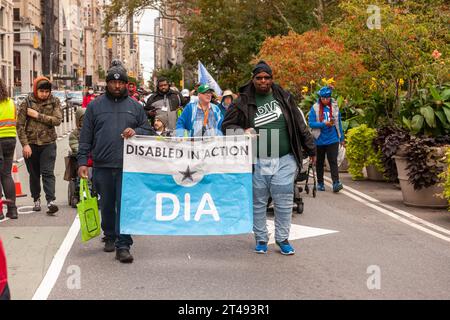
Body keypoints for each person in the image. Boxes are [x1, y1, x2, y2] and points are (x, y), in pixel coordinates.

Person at [222, 60, 316, 255]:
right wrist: (242, 131)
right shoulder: (242, 101)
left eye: (267, 77)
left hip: (284, 158)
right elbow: (226, 127)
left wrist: (311, 150)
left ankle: (282, 238)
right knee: (259, 201)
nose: (263, 81)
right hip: (259, 159)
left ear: (272, 79)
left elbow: (300, 125)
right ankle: (261, 238)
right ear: (253, 79)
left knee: (283, 198)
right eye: (259, 78)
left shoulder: (284, 97)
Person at [78, 60, 155, 264]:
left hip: (128, 166)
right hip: (102, 164)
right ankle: (110, 235)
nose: (117, 86)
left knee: (125, 205)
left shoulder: (136, 107)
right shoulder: (94, 106)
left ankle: (123, 245)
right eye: (113, 82)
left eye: (121, 83)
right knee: (107, 204)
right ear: (108, 83)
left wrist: (136, 131)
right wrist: (82, 162)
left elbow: (149, 131)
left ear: (127, 85)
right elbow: (85, 136)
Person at [17, 76, 62, 215]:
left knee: (48, 173)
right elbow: (19, 125)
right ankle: (36, 199)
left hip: (48, 143)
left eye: (46, 91)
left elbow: (57, 120)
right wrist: (25, 145)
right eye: (41, 91)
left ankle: (50, 202)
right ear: (36, 90)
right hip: (31, 144)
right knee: (34, 175)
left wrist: (37, 115)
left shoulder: (54, 101)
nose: (44, 94)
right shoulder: (26, 102)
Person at [308, 85, 345, 193]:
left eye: (327, 98)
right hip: (319, 139)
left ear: (330, 97)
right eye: (323, 98)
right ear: (320, 98)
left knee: (333, 161)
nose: (325, 100)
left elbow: (338, 123)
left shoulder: (334, 106)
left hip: (332, 138)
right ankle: (320, 183)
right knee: (319, 162)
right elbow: (311, 123)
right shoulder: (315, 108)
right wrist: (324, 124)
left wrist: (341, 137)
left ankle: (336, 183)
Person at [0, 79, 18, 220]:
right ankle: (12, 211)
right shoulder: (11, 103)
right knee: (6, 174)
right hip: (10, 140)